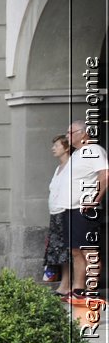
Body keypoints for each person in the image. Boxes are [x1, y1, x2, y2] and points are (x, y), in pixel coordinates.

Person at [65, 120, 107, 301]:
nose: (67, 136)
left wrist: (96, 198)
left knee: (88, 250)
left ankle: (92, 289)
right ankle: (78, 290)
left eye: (70, 132)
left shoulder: (94, 150)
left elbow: (105, 174)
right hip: (71, 208)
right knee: (75, 251)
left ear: (83, 133)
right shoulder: (76, 154)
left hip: (85, 210)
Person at [45, 134, 73, 290]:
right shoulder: (58, 168)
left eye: (57, 145)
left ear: (66, 147)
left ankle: (67, 284)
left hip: (66, 211)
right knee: (59, 250)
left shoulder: (72, 165)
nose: (53, 148)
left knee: (66, 250)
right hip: (55, 212)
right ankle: (65, 283)